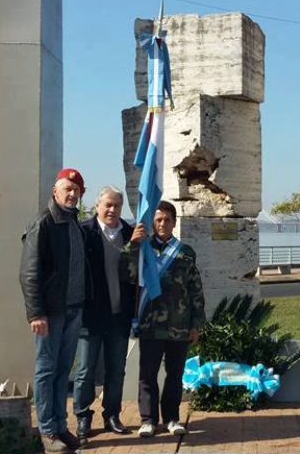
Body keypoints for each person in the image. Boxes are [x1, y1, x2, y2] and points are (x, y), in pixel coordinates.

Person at [19, 168, 90, 454]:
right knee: (46, 370)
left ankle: (60, 426)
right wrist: (36, 313)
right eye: (67, 189)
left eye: (76, 190)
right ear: (55, 191)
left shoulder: (73, 223)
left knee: (63, 370)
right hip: (51, 312)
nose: (72, 194)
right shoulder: (43, 223)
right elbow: (29, 272)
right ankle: (47, 429)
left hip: (73, 309)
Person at [124, 200, 205, 438]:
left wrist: (196, 324)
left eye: (167, 220)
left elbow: (195, 289)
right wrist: (132, 245)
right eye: (158, 220)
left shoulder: (185, 252)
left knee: (175, 374)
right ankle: (148, 420)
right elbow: (126, 273)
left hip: (179, 325)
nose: (162, 224)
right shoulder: (142, 250)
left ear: (174, 223)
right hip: (150, 325)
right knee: (147, 375)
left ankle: (171, 418)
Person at [73, 186, 135, 439]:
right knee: (85, 371)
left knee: (116, 370)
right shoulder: (83, 232)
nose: (112, 210)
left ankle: (112, 415)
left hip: (120, 316)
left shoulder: (131, 234)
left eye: (117, 205)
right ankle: (82, 416)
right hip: (90, 316)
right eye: (107, 205)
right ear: (97, 205)